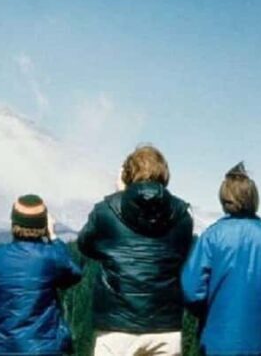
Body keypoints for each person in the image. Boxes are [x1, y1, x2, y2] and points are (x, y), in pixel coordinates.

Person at [77, 145, 193, 355]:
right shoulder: (183, 215)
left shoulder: (106, 211)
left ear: (126, 174)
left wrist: (119, 196)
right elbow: (182, 254)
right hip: (165, 326)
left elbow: (85, 245)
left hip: (117, 325)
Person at [181, 162, 261, 356]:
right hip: (259, 341)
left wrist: (208, 310)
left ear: (225, 199)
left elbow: (191, 289)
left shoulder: (211, 237)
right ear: (253, 198)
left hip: (216, 342)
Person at [0, 194, 83, 356]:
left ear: (14, 222)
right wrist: (54, 237)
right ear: (43, 224)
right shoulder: (50, 257)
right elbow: (74, 274)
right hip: (41, 347)